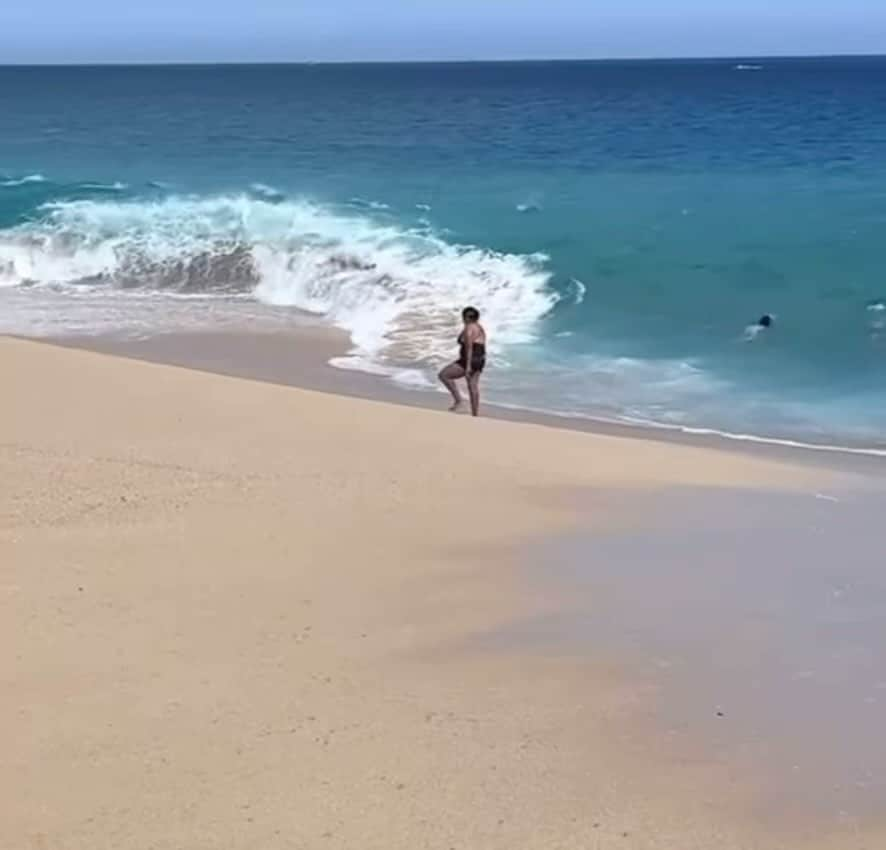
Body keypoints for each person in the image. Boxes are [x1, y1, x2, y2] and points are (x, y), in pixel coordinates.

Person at [438, 306, 486, 416]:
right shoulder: (479, 327)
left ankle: (459, 401)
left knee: (444, 375)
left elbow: (469, 347)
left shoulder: (469, 328)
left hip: (470, 359)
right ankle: (475, 414)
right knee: (473, 386)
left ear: (466, 317)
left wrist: (468, 365)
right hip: (480, 359)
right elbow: (462, 340)